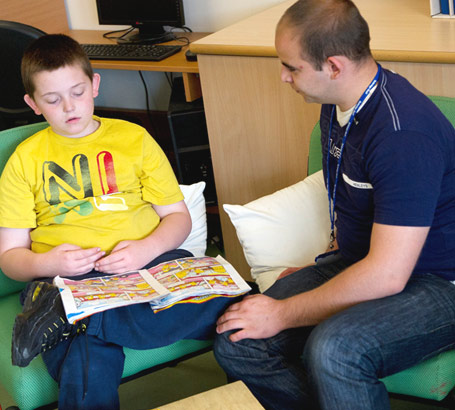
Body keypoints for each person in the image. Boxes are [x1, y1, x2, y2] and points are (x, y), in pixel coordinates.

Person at [214, 1, 455, 409]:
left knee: (335, 351)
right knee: (238, 338)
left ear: (334, 66)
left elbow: (388, 276)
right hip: (366, 260)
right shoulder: (337, 104)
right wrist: (318, 271)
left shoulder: (403, 134)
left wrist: (285, 311)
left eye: (291, 67)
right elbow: (357, 212)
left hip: (437, 281)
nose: (283, 77)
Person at [0, 34, 234, 410]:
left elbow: (177, 217)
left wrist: (147, 248)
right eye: (52, 99)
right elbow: (10, 256)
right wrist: (49, 263)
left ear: (94, 84)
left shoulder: (133, 138)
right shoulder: (24, 160)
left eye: (77, 92)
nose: (69, 107)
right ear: (33, 104)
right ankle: (75, 316)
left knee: (238, 307)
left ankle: (78, 319)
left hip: (148, 264)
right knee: (86, 362)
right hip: (64, 280)